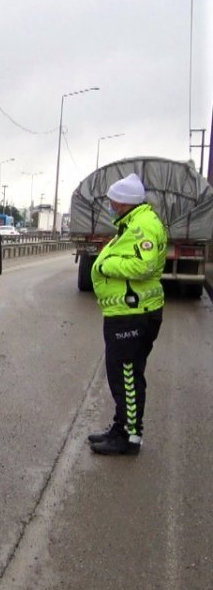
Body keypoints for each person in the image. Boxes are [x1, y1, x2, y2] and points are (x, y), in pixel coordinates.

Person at [86, 173, 166, 456]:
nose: (109, 204)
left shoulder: (142, 226)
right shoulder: (133, 223)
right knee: (123, 375)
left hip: (134, 314)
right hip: (127, 311)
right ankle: (121, 427)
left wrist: (107, 265)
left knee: (127, 376)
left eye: (112, 200)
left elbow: (143, 267)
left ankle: (129, 437)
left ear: (123, 202)